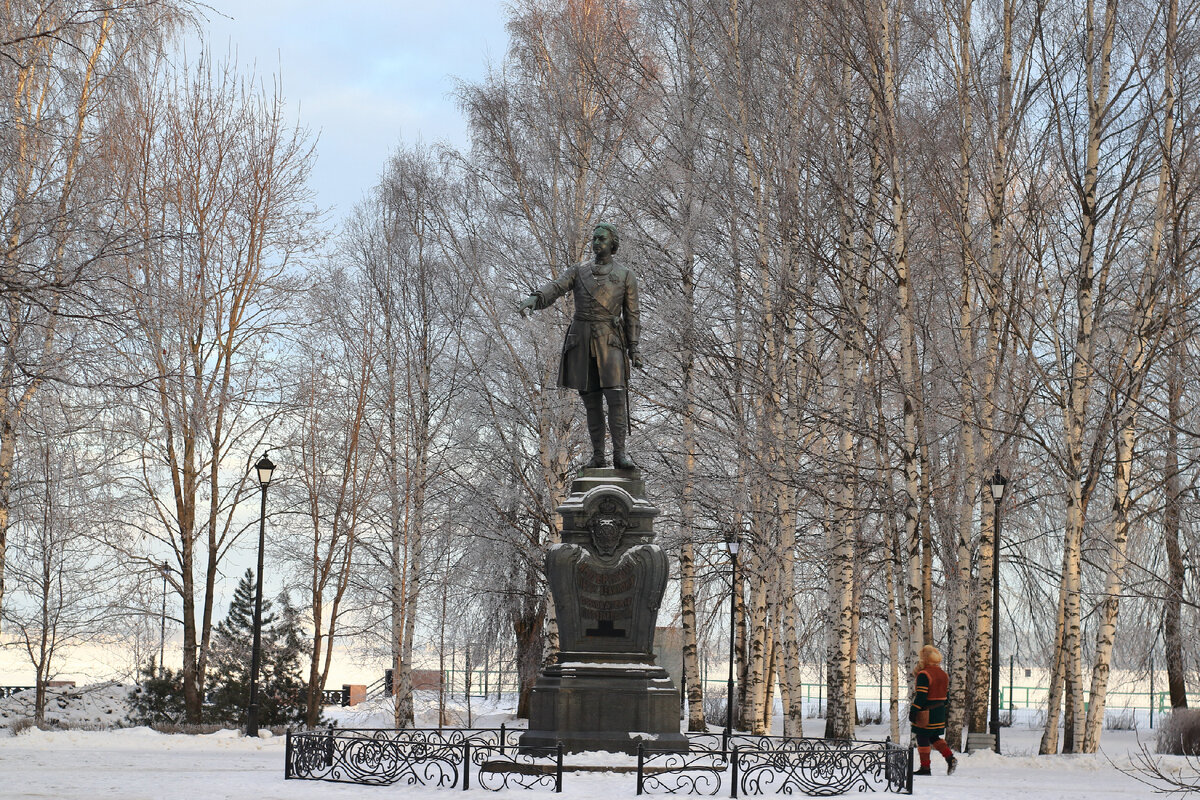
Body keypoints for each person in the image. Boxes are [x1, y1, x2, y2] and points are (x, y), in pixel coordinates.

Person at [518, 223, 642, 469]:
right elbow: (556, 287)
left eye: (602, 239)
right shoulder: (579, 270)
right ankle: (598, 456)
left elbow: (633, 314)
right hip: (582, 340)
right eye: (594, 239)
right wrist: (536, 297)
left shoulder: (626, 275)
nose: (596, 243)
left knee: (616, 397)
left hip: (610, 340)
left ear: (612, 244)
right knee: (591, 401)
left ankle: (619, 454)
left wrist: (634, 348)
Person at [909, 644, 957, 776]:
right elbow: (946, 696)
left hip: (926, 712)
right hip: (939, 711)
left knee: (922, 736)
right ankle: (950, 758)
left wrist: (914, 710)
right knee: (933, 736)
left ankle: (925, 768)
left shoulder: (924, 674)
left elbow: (921, 696)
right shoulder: (943, 674)